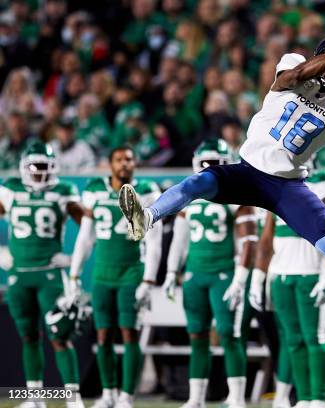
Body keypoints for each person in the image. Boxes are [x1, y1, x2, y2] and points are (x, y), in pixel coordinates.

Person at [117, 36, 325, 346]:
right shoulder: (295, 65)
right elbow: (294, 78)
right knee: (197, 182)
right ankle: (146, 217)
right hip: (249, 171)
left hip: (287, 186)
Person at [162, 140, 257, 408]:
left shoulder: (236, 196)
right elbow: (179, 241)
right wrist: (171, 271)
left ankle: (237, 398)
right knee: (197, 335)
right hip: (195, 273)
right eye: (205, 163)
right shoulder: (188, 196)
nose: (208, 169)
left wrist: (240, 277)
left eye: (214, 164)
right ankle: (196, 398)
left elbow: (247, 240)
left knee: (229, 333)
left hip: (223, 273)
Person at [68, 146, 163, 408]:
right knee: (103, 335)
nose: (124, 165)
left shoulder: (146, 189)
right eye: (119, 160)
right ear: (109, 164)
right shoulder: (95, 190)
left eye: (129, 160)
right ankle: (108, 393)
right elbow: (86, 237)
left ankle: (126, 396)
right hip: (102, 273)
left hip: (131, 272)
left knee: (129, 333)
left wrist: (149, 280)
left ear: (135, 164)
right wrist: (74, 274)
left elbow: (154, 241)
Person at [0, 142, 87, 408]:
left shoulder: (64, 191)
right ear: (24, 167)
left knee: (60, 335)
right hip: (19, 274)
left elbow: (91, 225)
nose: (39, 173)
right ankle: (35, 397)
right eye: (35, 167)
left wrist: (74, 261)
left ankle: (73, 398)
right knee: (28, 335)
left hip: (50, 274)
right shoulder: (11, 189)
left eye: (44, 167)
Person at [251, 162, 325, 408]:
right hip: (280, 274)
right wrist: (258, 276)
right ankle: (303, 398)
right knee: (292, 339)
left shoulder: (323, 181)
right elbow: (267, 238)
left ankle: (318, 398)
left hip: (310, 272)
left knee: (314, 337)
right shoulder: (272, 186)